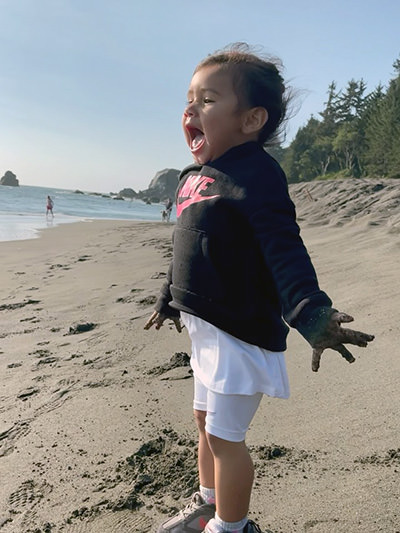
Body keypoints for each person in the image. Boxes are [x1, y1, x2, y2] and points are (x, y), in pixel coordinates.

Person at [144, 43, 374, 533]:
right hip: (205, 328)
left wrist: (311, 312)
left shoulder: (258, 177)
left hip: (239, 336)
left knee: (227, 439)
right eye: (189, 98)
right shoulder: (196, 178)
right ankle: (207, 503)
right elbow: (188, 246)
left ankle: (233, 527)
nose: (190, 109)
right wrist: (169, 295)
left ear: (251, 120)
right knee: (203, 422)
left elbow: (283, 249)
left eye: (207, 99)